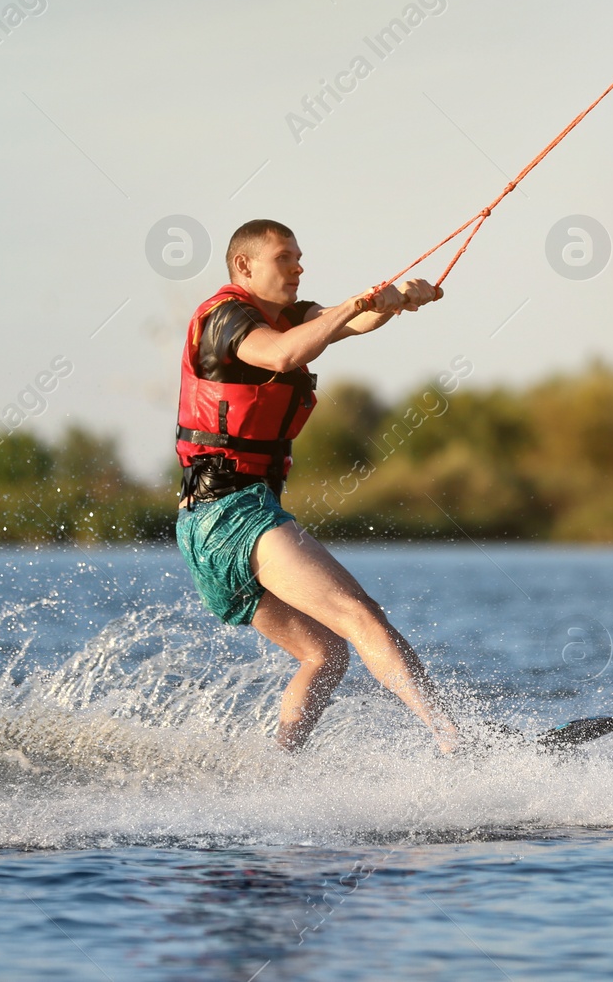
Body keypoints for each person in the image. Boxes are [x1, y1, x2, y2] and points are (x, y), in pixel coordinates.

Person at [174, 219, 460, 754]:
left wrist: (397, 301)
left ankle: (279, 772)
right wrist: (355, 305)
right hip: (229, 514)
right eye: (285, 257)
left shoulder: (290, 315)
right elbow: (283, 354)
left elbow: (348, 323)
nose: (298, 267)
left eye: (299, 257)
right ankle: (457, 744)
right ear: (245, 266)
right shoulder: (225, 318)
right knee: (359, 614)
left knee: (325, 653)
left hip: (207, 526)